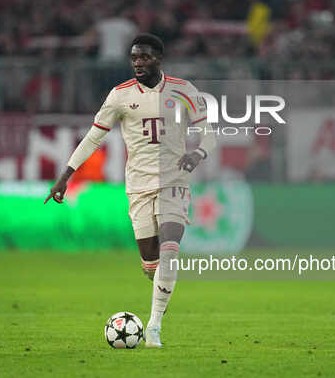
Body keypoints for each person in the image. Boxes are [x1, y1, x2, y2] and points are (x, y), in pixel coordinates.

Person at [44, 33, 216, 347]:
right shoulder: (120, 95)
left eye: (145, 57)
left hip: (174, 182)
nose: (138, 63)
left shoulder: (184, 90)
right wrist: (65, 175)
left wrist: (198, 153)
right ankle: (158, 288)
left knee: (170, 250)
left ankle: (153, 327)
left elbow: (209, 132)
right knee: (152, 266)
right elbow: (93, 138)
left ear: (159, 59)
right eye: (134, 58)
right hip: (138, 185)